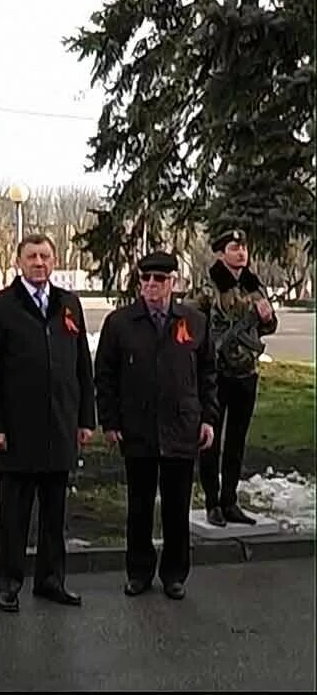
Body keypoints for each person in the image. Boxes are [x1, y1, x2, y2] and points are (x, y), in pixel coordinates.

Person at [0, 234, 95, 614]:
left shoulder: (68, 304)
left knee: (55, 515)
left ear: (54, 261)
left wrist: (85, 419)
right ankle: (8, 584)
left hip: (60, 426)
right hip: (16, 430)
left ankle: (51, 580)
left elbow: (82, 366)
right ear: (18, 261)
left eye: (45, 256)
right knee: (14, 514)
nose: (39, 262)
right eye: (31, 256)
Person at [94, 251, 219, 600]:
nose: (152, 285)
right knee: (140, 506)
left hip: (182, 427)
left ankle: (175, 574)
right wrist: (110, 421)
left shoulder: (193, 321)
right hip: (139, 428)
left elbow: (208, 374)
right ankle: (138, 571)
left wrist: (208, 418)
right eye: (146, 279)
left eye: (160, 280)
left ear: (173, 283)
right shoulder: (120, 323)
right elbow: (104, 376)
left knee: (177, 507)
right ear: (139, 283)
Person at [187, 229, 278, 527]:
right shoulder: (209, 286)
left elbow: (265, 329)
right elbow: (189, 323)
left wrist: (267, 319)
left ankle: (230, 500)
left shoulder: (254, 285)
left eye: (244, 248)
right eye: (235, 247)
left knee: (237, 440)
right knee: (211, 440)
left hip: (246, 374)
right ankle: (212, 502)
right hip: (216, 375)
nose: (241, 253)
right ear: (221, 252)